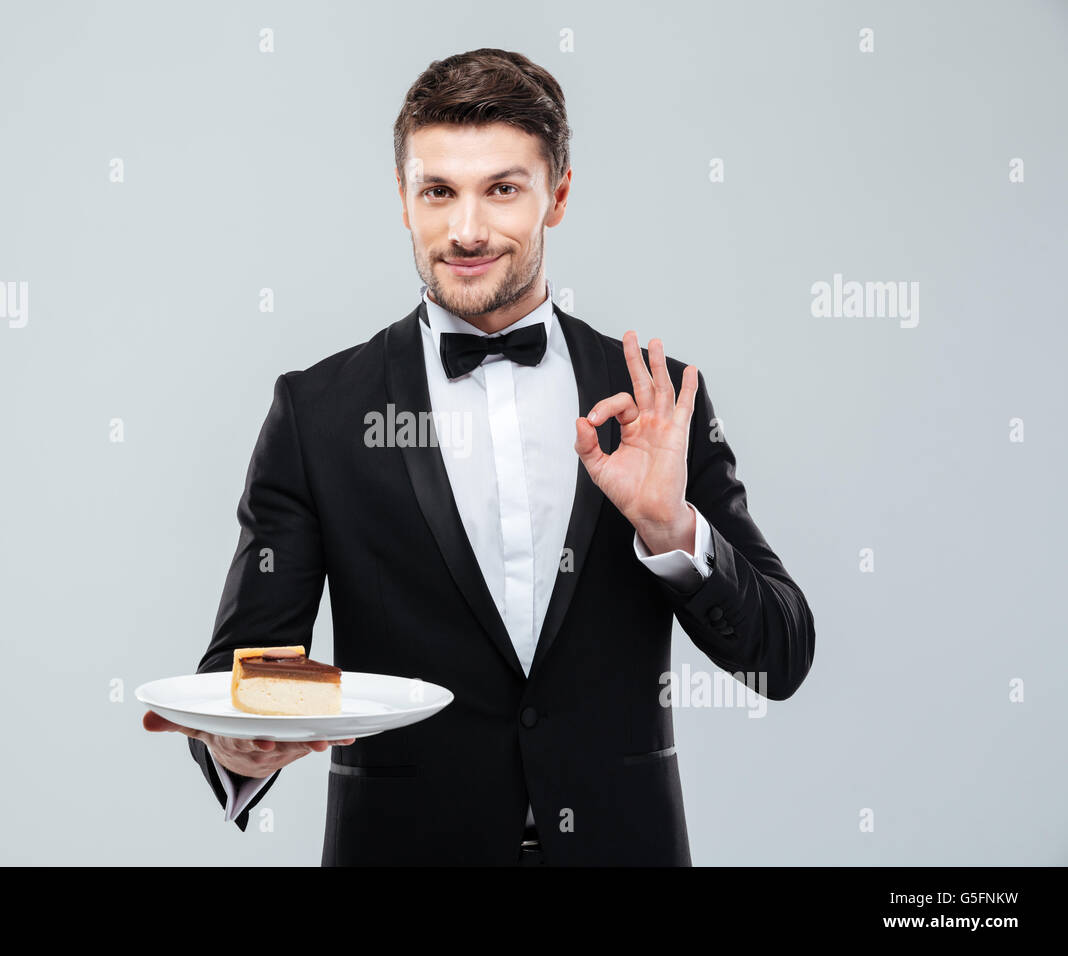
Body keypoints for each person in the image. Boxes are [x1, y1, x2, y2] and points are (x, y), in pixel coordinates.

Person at [143, 47, 815, 865]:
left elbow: (779, 659)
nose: (465, 230)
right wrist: (236, 747)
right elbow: (240, 673)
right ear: (402, 198)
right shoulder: (316, 412)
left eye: (502, 189)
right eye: (438, 192)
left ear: (557, 195)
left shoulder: (657, 401)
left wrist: (673, 530)